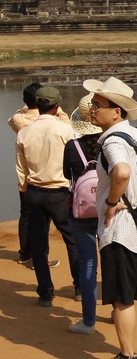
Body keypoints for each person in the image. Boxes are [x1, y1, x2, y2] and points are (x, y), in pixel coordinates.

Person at [86, 76, 137, 359]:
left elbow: (121, 172)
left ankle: (127, 354)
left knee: (122, 299)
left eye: (98, 104)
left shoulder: (112, 141)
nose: (92, 109)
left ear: (116, 111)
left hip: (119, 229)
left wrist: (113, 202)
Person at [16, 85, 79, 307]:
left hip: (34, 192)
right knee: (73, 239)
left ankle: (45, 292)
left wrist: (26, 190)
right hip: (60, 192)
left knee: (39, 243)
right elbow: (75, 162)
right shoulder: (65, 130)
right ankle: (79, 287)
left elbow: (21, 169)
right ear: (57, 105)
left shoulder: (24, 132)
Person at [9, 82, 68, 267]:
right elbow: (68, 122)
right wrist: (57, 110)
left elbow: (14, 118)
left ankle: (27, 254)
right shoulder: (62, 125)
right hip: (56, 181)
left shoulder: (20, 123)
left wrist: (23, 186)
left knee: (29, 220)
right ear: (54, 104)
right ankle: (78, 286)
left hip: (30, 181)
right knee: (68, 232)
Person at [63, 93, 104, 334]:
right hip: (110, 209)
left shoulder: (72, 146)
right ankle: (117, 310)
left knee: (88, 266)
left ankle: (88, 321)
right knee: (113, 262)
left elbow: (68, 176)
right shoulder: (112, 142)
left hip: (80, 212)